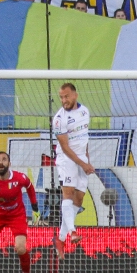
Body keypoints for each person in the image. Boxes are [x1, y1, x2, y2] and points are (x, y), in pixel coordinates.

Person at [52, 83, 94, 259]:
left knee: (79, 198)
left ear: (75, 95)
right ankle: (72, 232)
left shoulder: (85, 112)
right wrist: (81, 164)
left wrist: (87, 160)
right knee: (68, 194)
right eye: (61, 97)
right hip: (66, 158)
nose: (64, 100)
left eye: (66, 96)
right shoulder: (59, 119)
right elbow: (65, 147)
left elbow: (84, 139)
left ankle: (60, 239)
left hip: (81, 158)